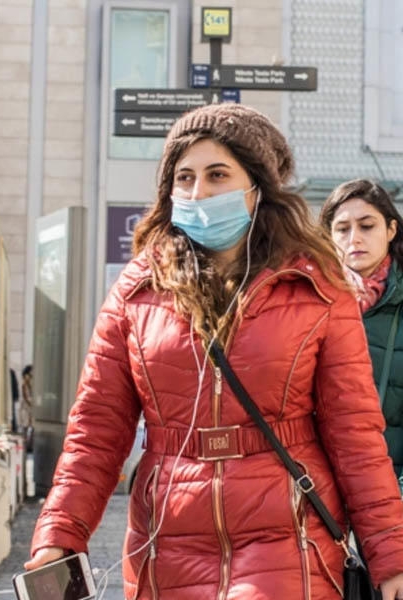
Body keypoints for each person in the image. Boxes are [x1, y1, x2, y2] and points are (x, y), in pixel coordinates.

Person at [25, 104, 403, 599]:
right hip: (165, 543)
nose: (198, 192)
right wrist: (58, 536)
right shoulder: (137, 290)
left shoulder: (316, 287)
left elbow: (355, 433)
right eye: (184, 177)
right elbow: (96, 430)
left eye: (217, 174)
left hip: (288, 538)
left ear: (257, 187)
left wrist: (389, 553)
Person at [320, 179, 403, 478]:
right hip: (322, 494)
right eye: (342, 229)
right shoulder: (309, 302)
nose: (354, 239)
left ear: (391, 230)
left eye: (367, 226)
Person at [20, 364, 34, 450]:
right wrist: (31, 405)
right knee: (25, 426)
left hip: (29, 407)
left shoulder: (30, 384)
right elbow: (25, 397)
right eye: (30, 374)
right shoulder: (24, 384)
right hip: (26, 407)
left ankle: (29, 445)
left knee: (31, 426)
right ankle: (25, 446)